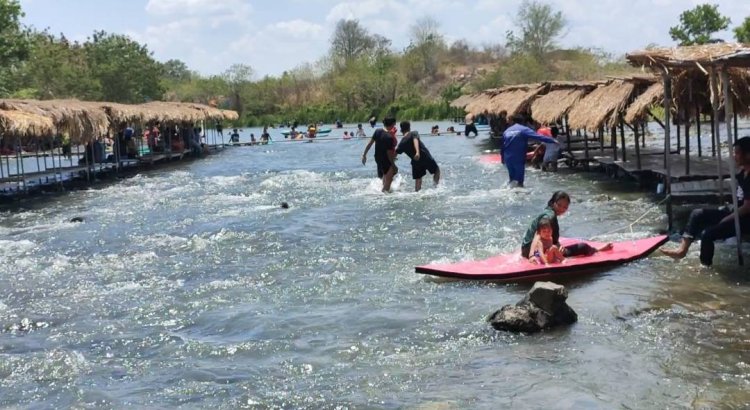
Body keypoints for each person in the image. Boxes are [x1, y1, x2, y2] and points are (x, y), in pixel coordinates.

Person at [660, 136, 750, 266]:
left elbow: (747, 207)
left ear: (748, 155)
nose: (734, 156)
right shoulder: (743, 173)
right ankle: (682, 250)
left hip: (745, 218)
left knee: (707, 234)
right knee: (697, 214)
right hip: (735, 211)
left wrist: (727, 218)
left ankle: (705, 267)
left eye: (737, 153)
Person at [521, 191, 613, 259]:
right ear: (553, 203)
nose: (561, 209)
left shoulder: (547, 210)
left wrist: (557, 244)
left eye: (565, 207)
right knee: (582, 247)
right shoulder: (549, 216)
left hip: (526, 249)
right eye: (559, 205)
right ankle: (597, 250)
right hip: (535, 251)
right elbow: (538, 234)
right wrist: (532, 254)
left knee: (560, 247)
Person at [502, 114, 559, 187]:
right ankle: (521, 195)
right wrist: (552, 140)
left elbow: (503, 146)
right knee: (520, 182)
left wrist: (502, 158)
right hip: (518, 158)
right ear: (522, 122)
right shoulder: (524, 129)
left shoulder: (507, 131)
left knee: (511, 179)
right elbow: (538, 137)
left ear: (512, 122)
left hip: (508, 158)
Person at [397, 121, 440, 192]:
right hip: (425, 156)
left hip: (415, 161)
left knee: (418, 178)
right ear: (409, 127)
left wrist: (392, 162)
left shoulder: (402, 143)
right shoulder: (414, 133)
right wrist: (417, 152)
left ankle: (417, 192)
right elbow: (415, 140)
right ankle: (436, 188)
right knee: (436, 170)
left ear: (401, 130)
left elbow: (396, 153)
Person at [362, 117, 398, 193]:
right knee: (389, 179)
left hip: (377, 158)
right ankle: (383, 194)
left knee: (385, 175)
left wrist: (364, 155)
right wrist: (393, 165)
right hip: (386, 159)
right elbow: (389, 153)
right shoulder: (389, 137)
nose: (395, 125)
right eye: (394, 124)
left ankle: (382, 190)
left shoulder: (377, 131)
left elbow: (370, 144)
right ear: (392, 124)